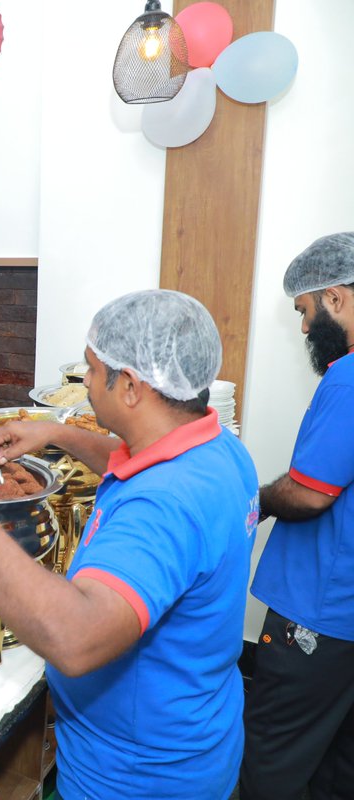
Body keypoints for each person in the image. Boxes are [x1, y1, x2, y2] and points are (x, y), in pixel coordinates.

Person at [0, 289, 258, 800]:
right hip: (199, 734)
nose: (85, 382)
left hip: (135, 774)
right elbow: (130, 456)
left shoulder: (163, 503)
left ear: (131, 387)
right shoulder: (218, 447)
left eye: (92, 370)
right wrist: (58, 433)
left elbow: (76, 639)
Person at [241, 233, 354, 800]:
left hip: (318, 614)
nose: (305, 328)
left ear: (335, 298)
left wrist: (252, 501)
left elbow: (310, 494)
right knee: (336, 765)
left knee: (273, 758)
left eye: (305, 311)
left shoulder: (349, 378)